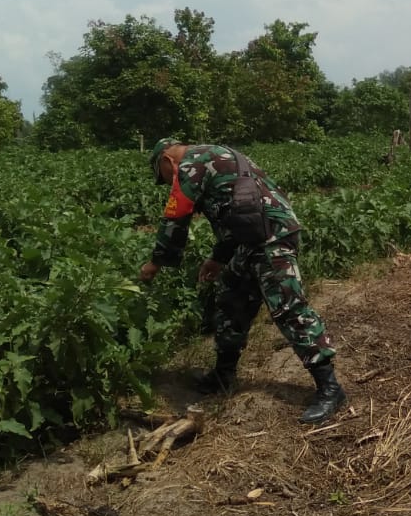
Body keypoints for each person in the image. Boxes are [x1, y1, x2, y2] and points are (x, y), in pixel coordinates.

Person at [138, 138, 347, 424]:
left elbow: (176, 218)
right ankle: (223, 376)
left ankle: (330, 388)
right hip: (253, 237)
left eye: (161, 176)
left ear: (165, 160)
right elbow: (238, 210)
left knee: (287, 306)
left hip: (270, 238)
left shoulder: (189, 165)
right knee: (231, 297)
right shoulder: (213, 156)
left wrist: (155, 263)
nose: (166, 181)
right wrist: (218, 258)